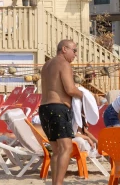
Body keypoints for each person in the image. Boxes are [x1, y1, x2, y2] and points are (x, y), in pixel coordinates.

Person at [39, 39, 84, 185]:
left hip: (44, 108)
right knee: (66, 148)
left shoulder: (46, 65)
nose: (75, 54)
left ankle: (55, 183)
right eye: (74, 50)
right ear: (64, 49)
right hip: (58, 108)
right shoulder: (64, 64)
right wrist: (86, 95)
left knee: (56, 150)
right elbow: (70, 89)